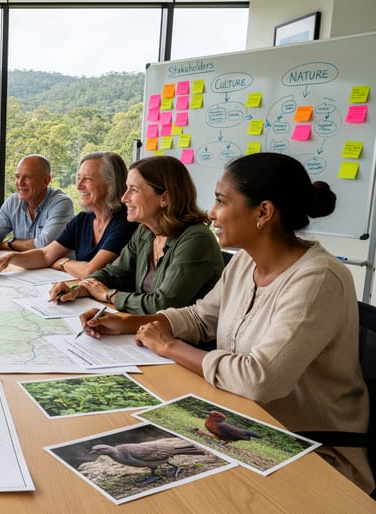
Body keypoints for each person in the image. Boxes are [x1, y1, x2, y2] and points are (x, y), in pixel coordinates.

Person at [79, 153, 373, 493]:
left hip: (309, 448)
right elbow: (202, 316)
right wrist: (128, 322)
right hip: (242, 421)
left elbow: (259, 380)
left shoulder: (317, 279)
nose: (211, 213)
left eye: (221, 201)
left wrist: (169, 346)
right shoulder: (245, 262)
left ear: (263, 212)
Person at [49, 155, 222, 313]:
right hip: (147, 329)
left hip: (182, 336)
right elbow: (112, 273)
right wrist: (79, 289)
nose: (124, 198)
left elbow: (162, 304)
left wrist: (109, 295)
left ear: (164, 198)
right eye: (126, 188)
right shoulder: (145, 232)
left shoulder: (196, 240)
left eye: (134, 190)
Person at [0, 152, 137, 278]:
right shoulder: (83, 219)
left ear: (110, 184)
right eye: (78, 178)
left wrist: (62, 262)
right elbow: (45, 254)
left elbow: (90, 271)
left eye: (87, 179)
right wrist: (9, 258)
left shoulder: (125, 221)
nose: (79, 186)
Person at [0, 154, 73, 255]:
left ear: (46, 180)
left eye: (27, 177)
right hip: (25, 264)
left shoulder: (62, 203)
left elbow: (45, 245)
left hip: (58, 265)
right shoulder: (13, 202)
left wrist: (10, 244)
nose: (20, 183)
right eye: (17, 177)